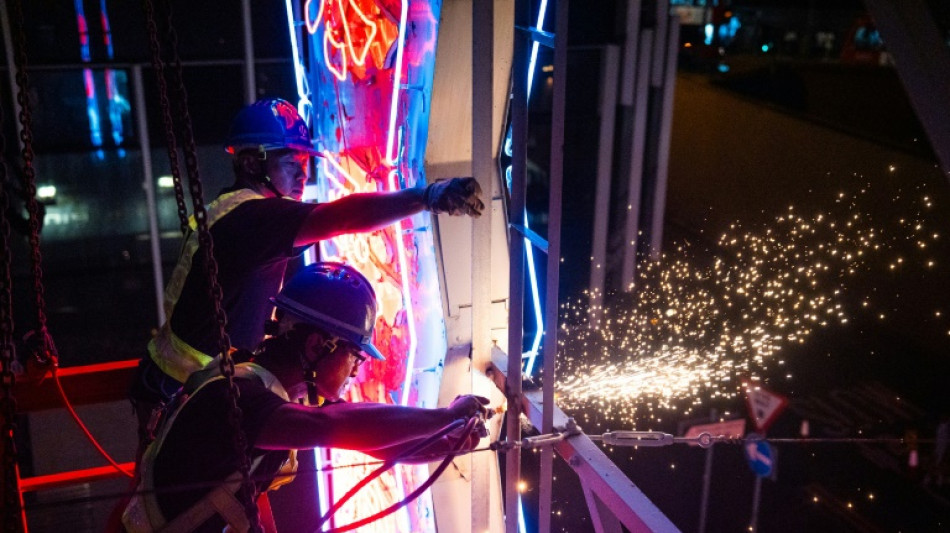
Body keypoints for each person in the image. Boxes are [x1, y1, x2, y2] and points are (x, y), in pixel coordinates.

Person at [130, 98, 484, 446]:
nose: (304, 173)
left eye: (305, 162)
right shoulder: (251, 219)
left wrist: (445, 437)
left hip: (184, 385)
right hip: (192, 393)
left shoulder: (236, 215)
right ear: (253, 163)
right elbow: (341, 218)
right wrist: (427, 196)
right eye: (291, 161)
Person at [122, 262, 489, 532]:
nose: (358, 369)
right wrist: (443, 416)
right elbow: (334, 426)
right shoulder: (241, 398)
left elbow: (380, 443)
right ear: (318, 345)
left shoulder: (262, 382)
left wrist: (449, 441)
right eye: (355, 355)